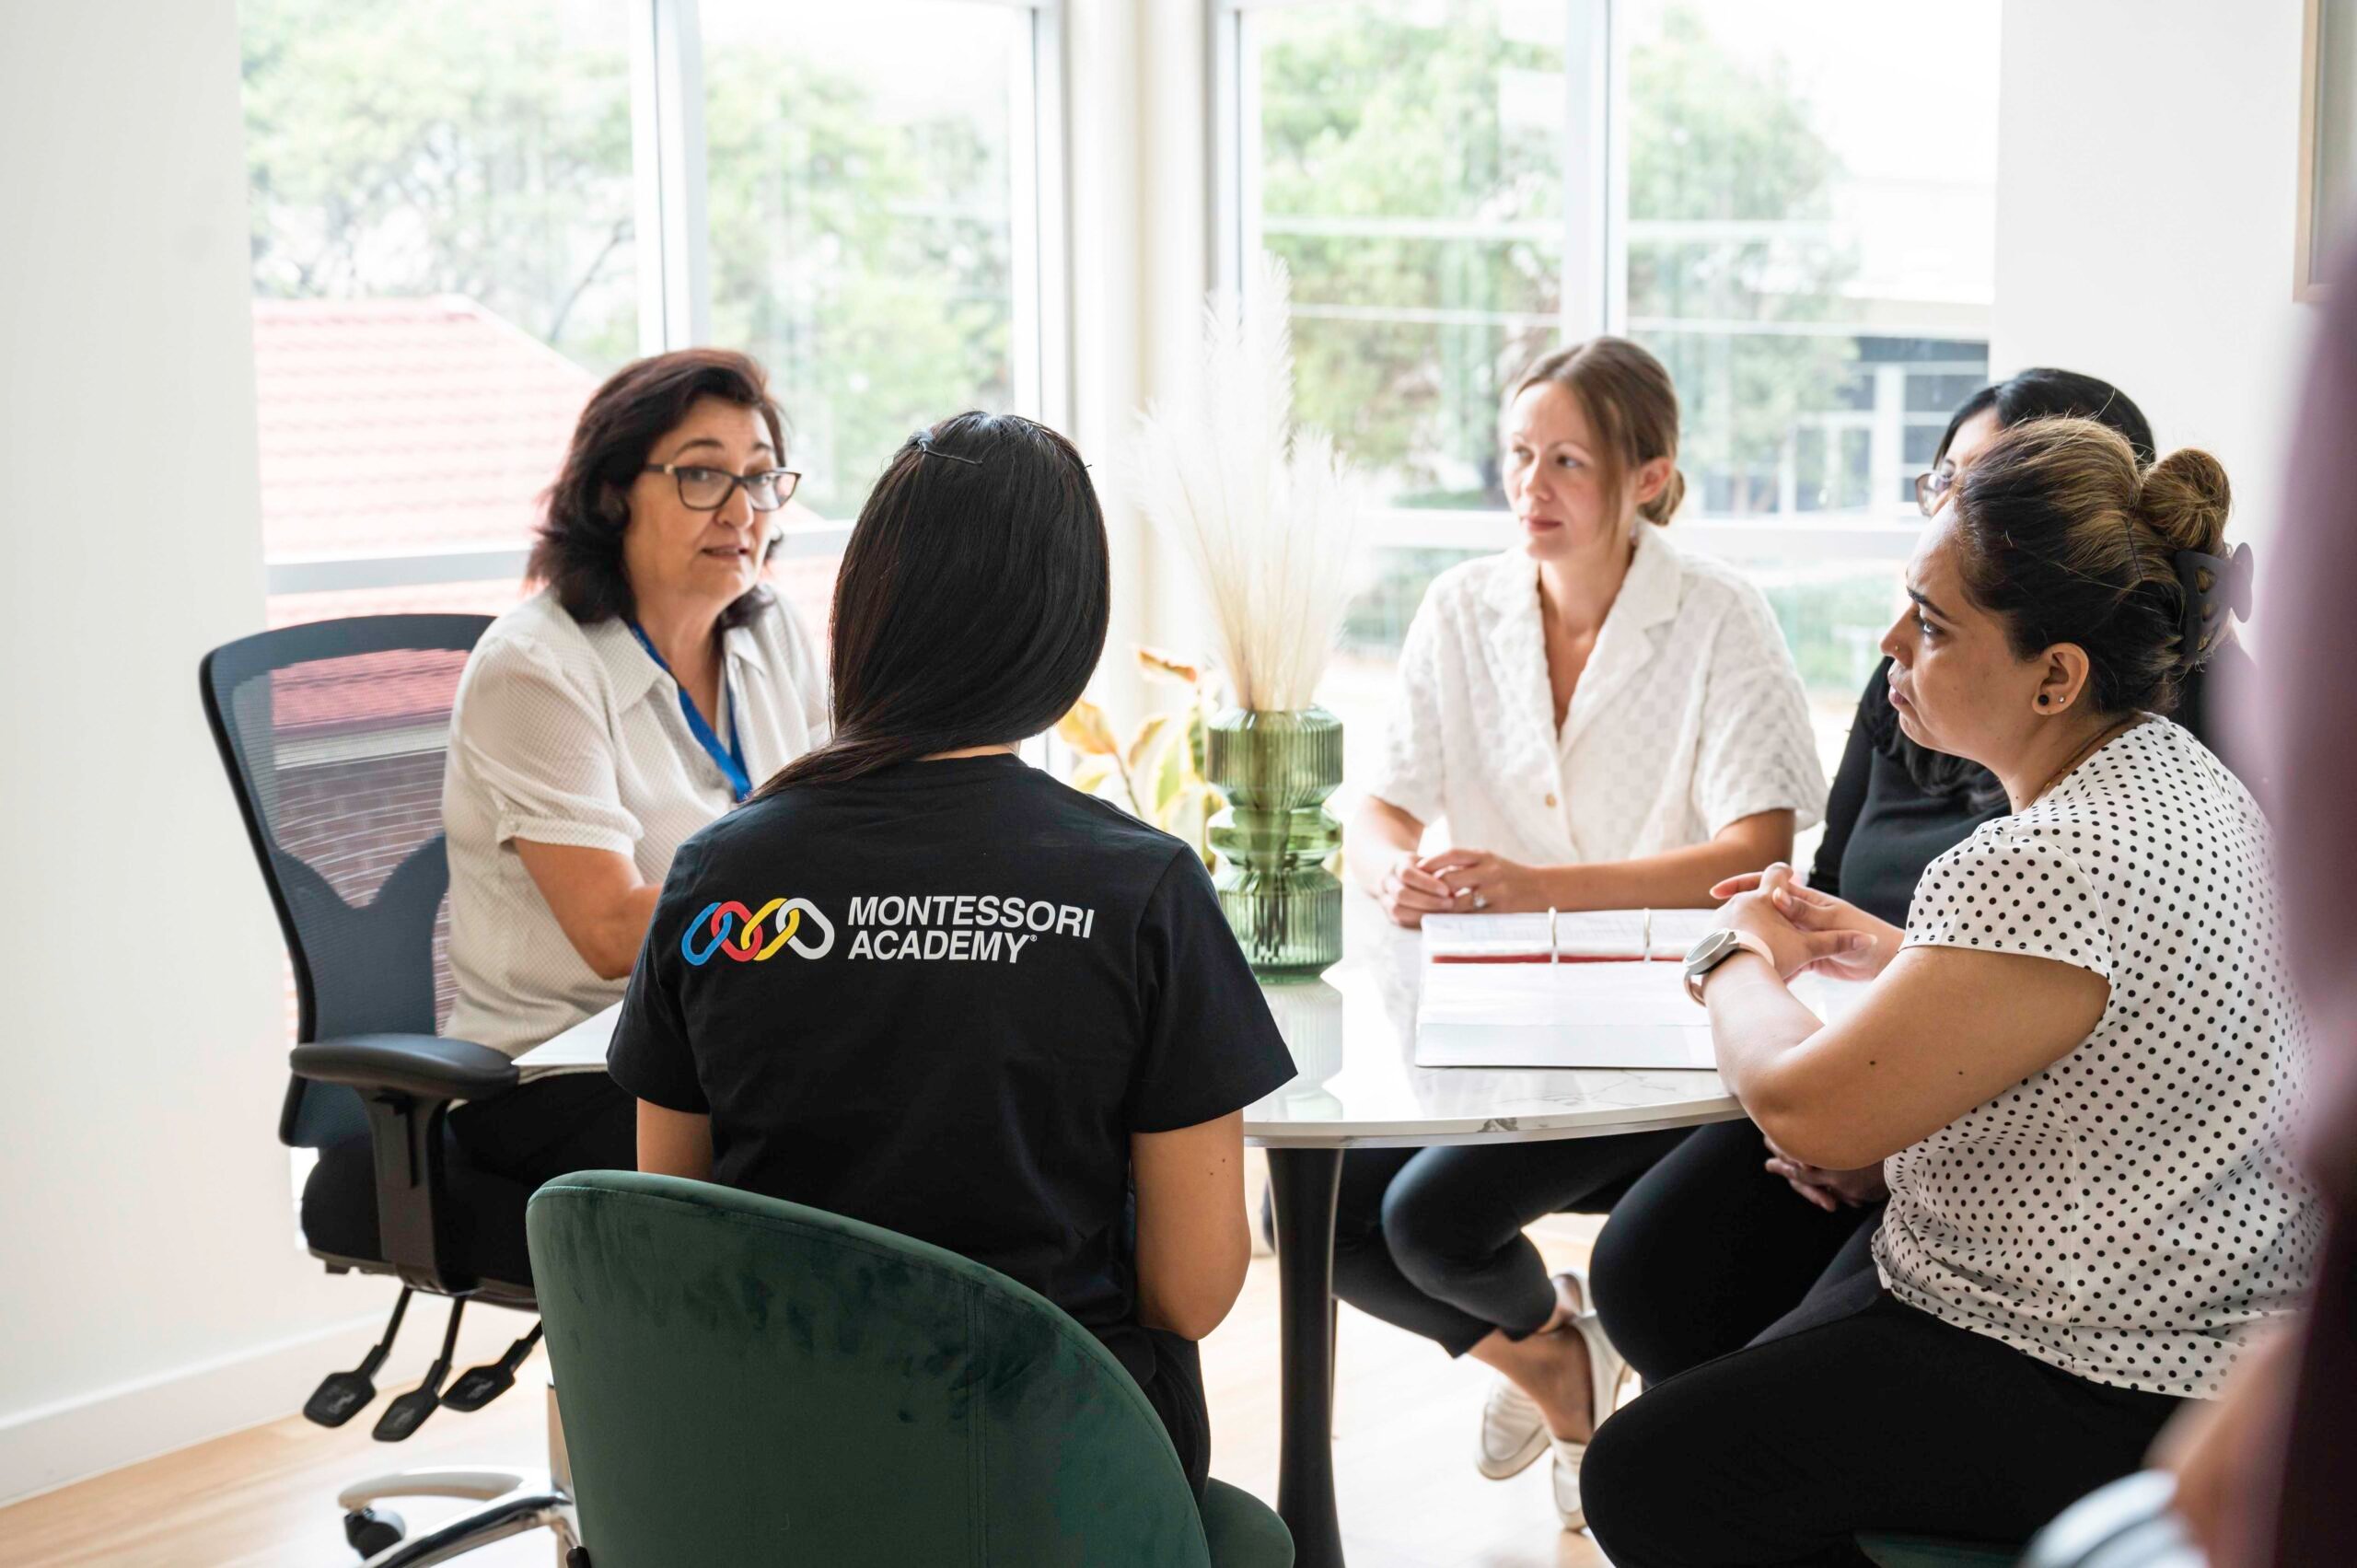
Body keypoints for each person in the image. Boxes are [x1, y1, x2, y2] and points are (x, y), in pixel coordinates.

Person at [1577, 416, 2321, 1567]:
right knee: (1679, 1283)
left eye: (1929, 625)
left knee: (1644, 1472)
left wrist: (1728, 953)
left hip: (2096, 1359)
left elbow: (1805, 1108)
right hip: (2200, 1322)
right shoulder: (2182, 775)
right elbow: (2110, 1016)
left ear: (2055, 675)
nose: (1890, 644)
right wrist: (1906, 956)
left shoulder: (2042, 856)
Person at [608, 412, 1298, 1502]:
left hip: (774, 1469)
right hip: (1050, 1477)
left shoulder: (719, 875)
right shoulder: (1143, 887)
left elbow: (677, 1226)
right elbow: (1189, 1290)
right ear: (1066, 624)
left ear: (868, 607)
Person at [1333, 338, 1825, 1528]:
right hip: (1488, 1015)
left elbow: (1753, 851)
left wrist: (1536, 889)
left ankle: (1567, 1361)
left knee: (1426, 1220)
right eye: (1518, 455)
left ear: (1647, 477)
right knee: (1326, 1216)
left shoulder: (1719, 614)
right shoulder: (1461, 607)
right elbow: (1379, 806)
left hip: (1666, 1035)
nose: (1531, 485)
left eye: (1567, 461)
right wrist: (1395, 870)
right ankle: (1560, 1360)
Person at [440, 348, 828, 1188]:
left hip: (730, 1041)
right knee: (836, 1156)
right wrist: (807, 890)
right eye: (702, 475)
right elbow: (612, 932)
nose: (741, 510)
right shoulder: (536, 666)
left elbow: (846, 819)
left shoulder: (771, 631)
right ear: (613, 493)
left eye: (760, 477)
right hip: (565, 1072)